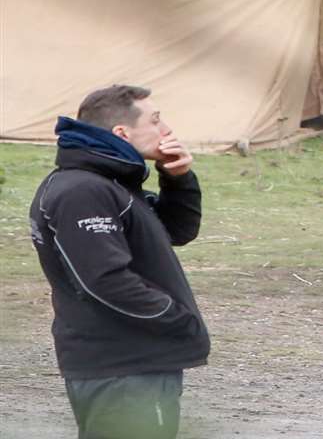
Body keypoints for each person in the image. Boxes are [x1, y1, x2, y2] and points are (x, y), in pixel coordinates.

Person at [29, 85, 208, 439]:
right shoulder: (83, 191)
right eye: (156, 121)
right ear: (122, 133)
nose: (167, 130)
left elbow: (175, 230)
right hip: (123, 366)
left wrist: (177, 179)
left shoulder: (111, 183)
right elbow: (104, 280)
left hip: (132, 363)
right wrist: (175, 318)